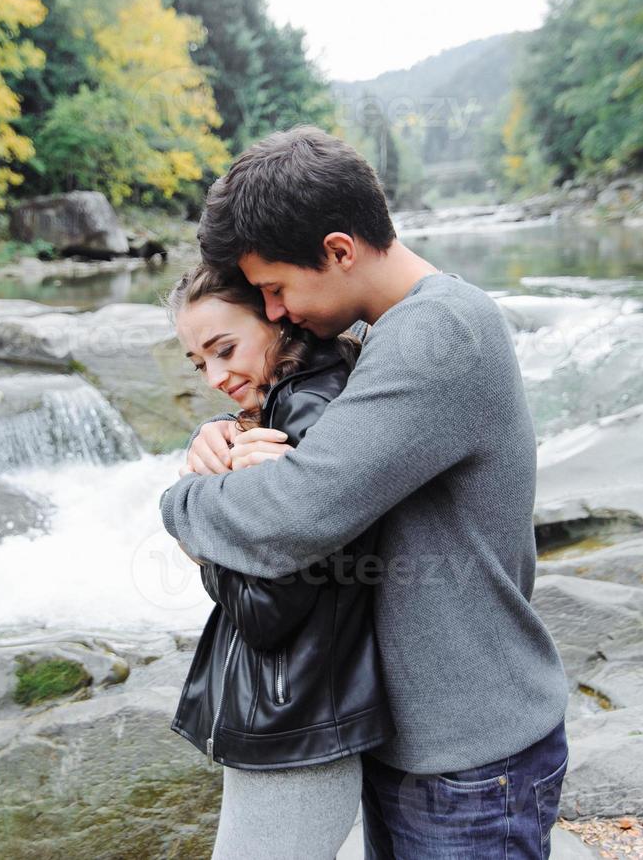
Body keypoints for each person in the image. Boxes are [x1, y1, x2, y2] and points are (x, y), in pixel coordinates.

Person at [160, 125, 570, 859]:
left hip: (470, 759)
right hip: (423, 742)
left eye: (276, 289)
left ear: (339, 250)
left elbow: (296, 514)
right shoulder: (389, 334)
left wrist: (180, 502)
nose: (276, 313)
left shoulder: (436, 335)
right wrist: (223, 436)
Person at [163, 262, 396, 860]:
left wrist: (200, 531)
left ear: (275, 319)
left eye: (225, 349)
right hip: (297, 718)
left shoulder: (307, 417)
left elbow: (268, 611)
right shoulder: (287, 403)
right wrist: (226, 433)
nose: (214, 376)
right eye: (199, 363)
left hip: (296, 726)